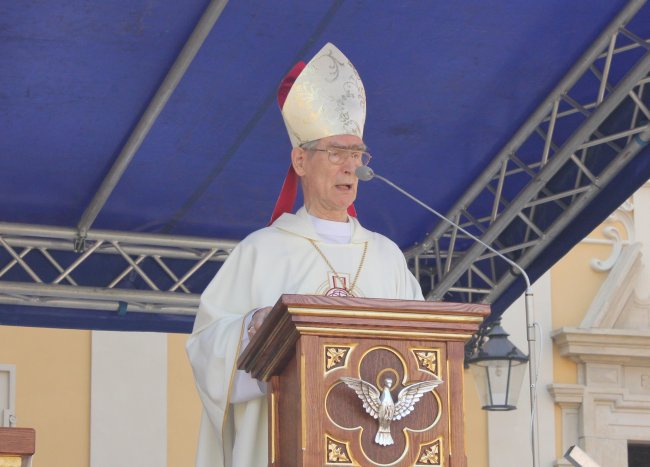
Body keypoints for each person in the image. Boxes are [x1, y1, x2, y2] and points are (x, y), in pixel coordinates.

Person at [186, 42, 424, 467]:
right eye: (336, 152)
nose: (350, 167)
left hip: (374, 451)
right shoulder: (262, 251)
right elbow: (207, 349)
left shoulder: (387, 257)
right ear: (300, 160)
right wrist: (254, 331)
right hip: (286, 447)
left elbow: (422, 359)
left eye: (357, 154)